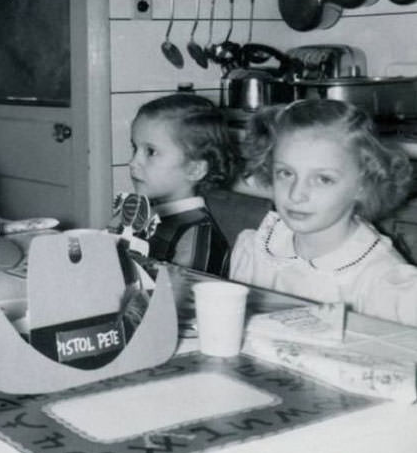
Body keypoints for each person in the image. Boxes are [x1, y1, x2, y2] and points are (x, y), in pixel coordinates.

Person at [230, 98, 417, 326]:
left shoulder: (379, 281)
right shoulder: (259, 248)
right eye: (286, 173)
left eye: (323, 179)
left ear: (364, 185)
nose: (297, 194)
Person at [128, 93, 236, 275]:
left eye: (151, 152)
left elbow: (181, 299)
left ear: (194, 170)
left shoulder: (195, 233)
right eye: (134, 148)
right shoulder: (142, 213)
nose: (133, 162)